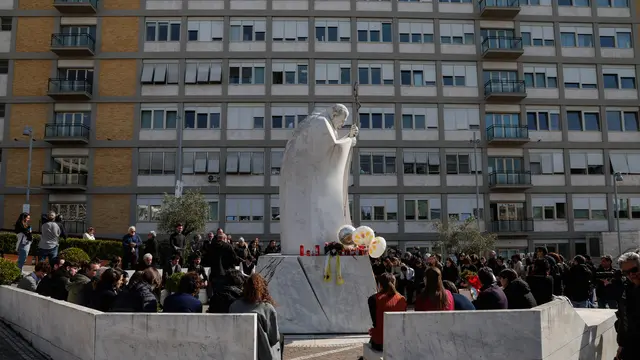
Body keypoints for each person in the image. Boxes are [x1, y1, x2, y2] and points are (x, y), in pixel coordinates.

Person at [229, 274, 281, 360]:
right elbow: (274, 338)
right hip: (262, 354)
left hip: (239, 351)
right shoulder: (267, 308)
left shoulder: (234, 306)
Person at [366, 273, 407, 352]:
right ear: (394, 283)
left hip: (381, 342)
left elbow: (375, 322)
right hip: (399, 341)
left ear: (379, 284)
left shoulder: (373, 299)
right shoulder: (402, 299)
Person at [614, 252, 640, 360]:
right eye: (626, 272)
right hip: (630, 346)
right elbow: (623, 318)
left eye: (633, 270)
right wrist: (621, 344)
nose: (631, 274)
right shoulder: (627, 288)